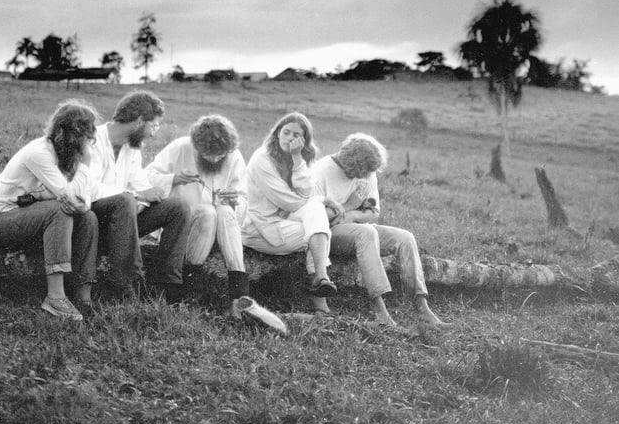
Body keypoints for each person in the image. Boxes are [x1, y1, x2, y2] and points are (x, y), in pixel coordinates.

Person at [144, 114, 285, 331]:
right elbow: (147, 177)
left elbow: (244, 199)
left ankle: (240, 295)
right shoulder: (181, 147)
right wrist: (173, 178)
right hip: (187, 229)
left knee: (225, 210)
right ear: (196, 145)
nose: (214, 161)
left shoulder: (234, 156)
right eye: (208, 155)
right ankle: (191, 288)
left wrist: (235, 199)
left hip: (224, 232)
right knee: (208, 211)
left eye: (220, 156)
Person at [0, 100, 100, 321]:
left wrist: (82, 203)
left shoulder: (63, 155)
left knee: (89, 217)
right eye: (85, 138)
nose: (87, 145)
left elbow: (86, 197)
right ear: (72, 135)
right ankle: (55, 298)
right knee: (60, 210)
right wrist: (85, 165)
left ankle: (84, 297)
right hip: (1, 221)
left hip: (31, 218)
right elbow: (69, 196)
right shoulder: (40, 153)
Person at [311, 132, 448, 328]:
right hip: (326, 233)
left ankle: (421, 307)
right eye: (363, 172)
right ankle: (379, 309)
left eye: (369, 172)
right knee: (367, 232)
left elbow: (373, 213)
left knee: (405, 237)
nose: (366, 177)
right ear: (353, 164)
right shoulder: (321, 171)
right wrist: (350, 206)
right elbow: (314, 218)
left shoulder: (367, 172)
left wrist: (353, 215)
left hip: (356, 226)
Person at [89, 90, 191, 301]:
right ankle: (126, 285)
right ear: (138, 121)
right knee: (125, 200)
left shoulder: (132, 148)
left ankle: (167, 285)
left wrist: (140, 200)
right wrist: (132, 196)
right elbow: (88, 189)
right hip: (93, 221)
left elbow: (143, 187)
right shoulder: (92, 141)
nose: (154, 134)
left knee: (178, 207)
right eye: (153, 125)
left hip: (124, 218)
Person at [241, 112, 339, 301]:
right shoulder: (261, 159)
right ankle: (320, 290)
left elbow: (307, 192)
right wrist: (322, 200)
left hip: (285, 221)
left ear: (304, 140)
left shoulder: (299, 158)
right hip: (260, 228)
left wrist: (297, 159)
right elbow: (285, 201)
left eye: (296, 135)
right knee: (319, 224)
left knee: (316, 218)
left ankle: (321, 277)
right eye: (286, 132)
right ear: (277, 133)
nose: (289, 138)